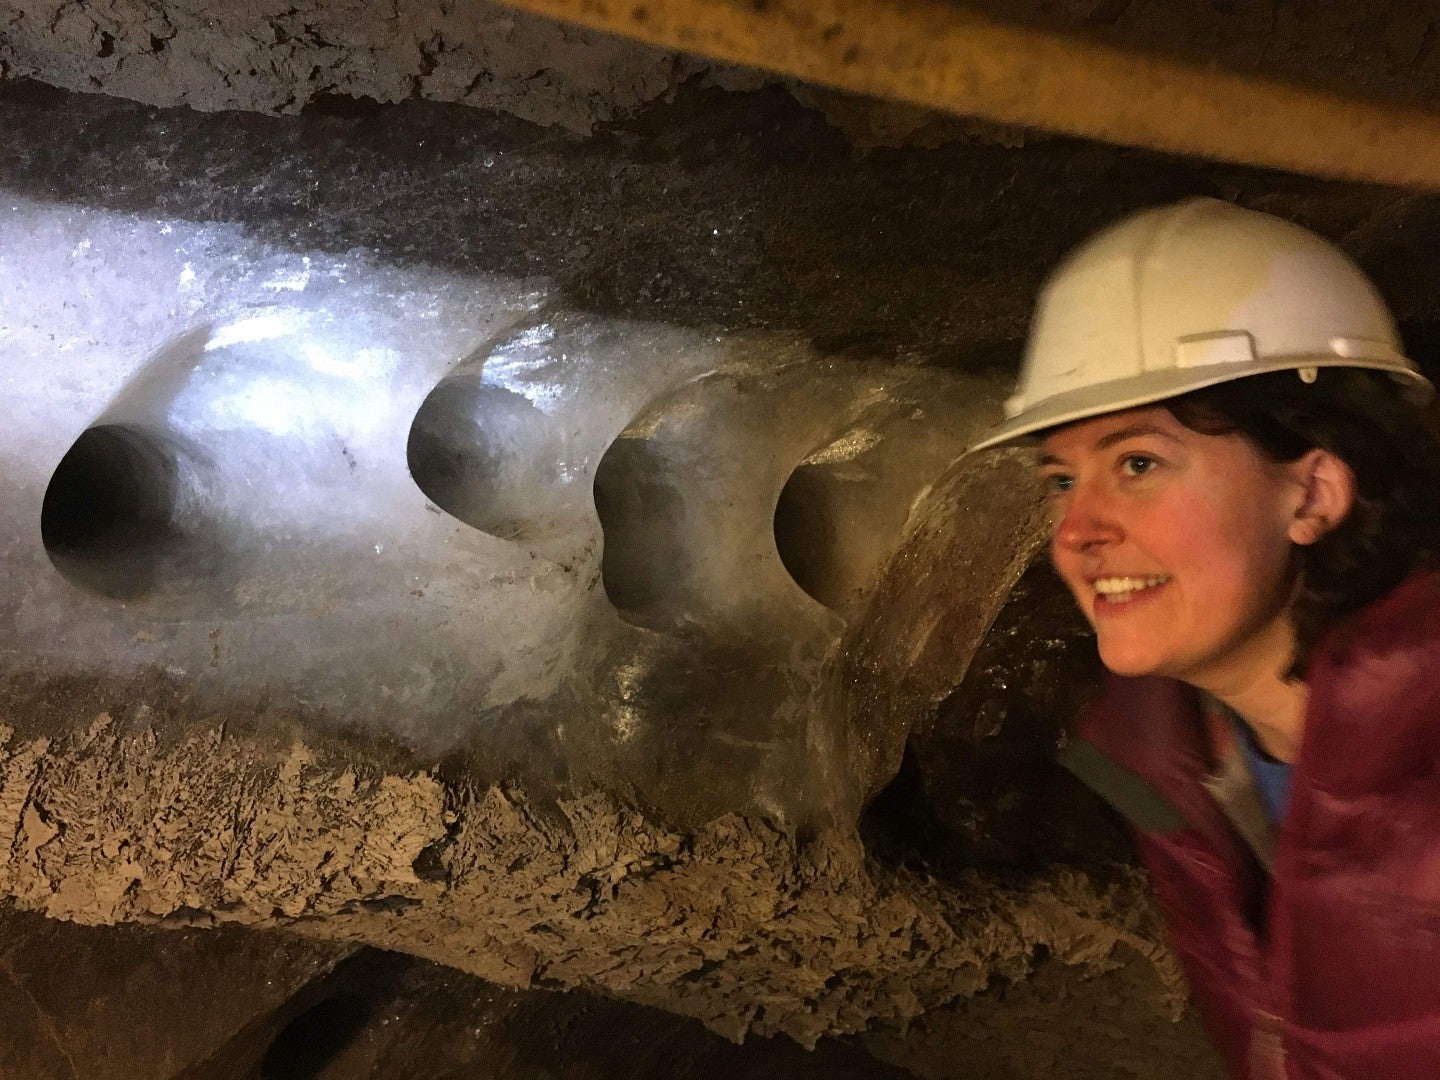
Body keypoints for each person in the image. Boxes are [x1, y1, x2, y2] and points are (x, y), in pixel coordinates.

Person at [970, 197, 1440, 1080]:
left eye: (1138, 464)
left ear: (1312, 493)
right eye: (1062, 480)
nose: (1075, 531)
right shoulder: (1176, 765)